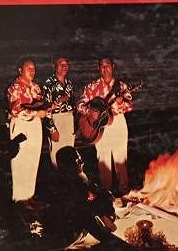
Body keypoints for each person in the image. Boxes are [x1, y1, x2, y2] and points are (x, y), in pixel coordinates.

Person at [78, 57, 134, 195]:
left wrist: (120, 103)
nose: (105, 68)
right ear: (98, 68)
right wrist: (93, 112)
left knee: (121, 157)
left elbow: (130, 106)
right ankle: (106, 192)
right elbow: (80, 105)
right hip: (100, 126)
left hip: (118, 121)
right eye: (101, 65)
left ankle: (123, 190)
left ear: (113, 66)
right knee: (103, 159)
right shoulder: (92, 87)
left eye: (107, 65)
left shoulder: (121, 86)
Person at [6, 58, 48, 209]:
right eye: (28, 68)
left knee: (33, 161)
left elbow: (41, 105)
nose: (32, 71)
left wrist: (46, 111)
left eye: (33, 68)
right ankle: (19, 199)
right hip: (20, 126)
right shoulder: (14, 88)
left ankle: (29, 196)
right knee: (20, 162)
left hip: (35, 126)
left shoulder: (36, 87)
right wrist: (36, 113)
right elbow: (15, 111)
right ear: (20, 70)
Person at [43, 56, 76, 168]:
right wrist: (52, 130)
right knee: (56, 154)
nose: (64, 66)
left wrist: (76, 125)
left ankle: (69, 176)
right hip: (56, 120)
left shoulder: (69, 83)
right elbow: (46, 109)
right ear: (54, 66)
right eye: (60, 64)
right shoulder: (48, 83)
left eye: (66, 64)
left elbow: (73, 106)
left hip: (69, 120)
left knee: (69, 153)